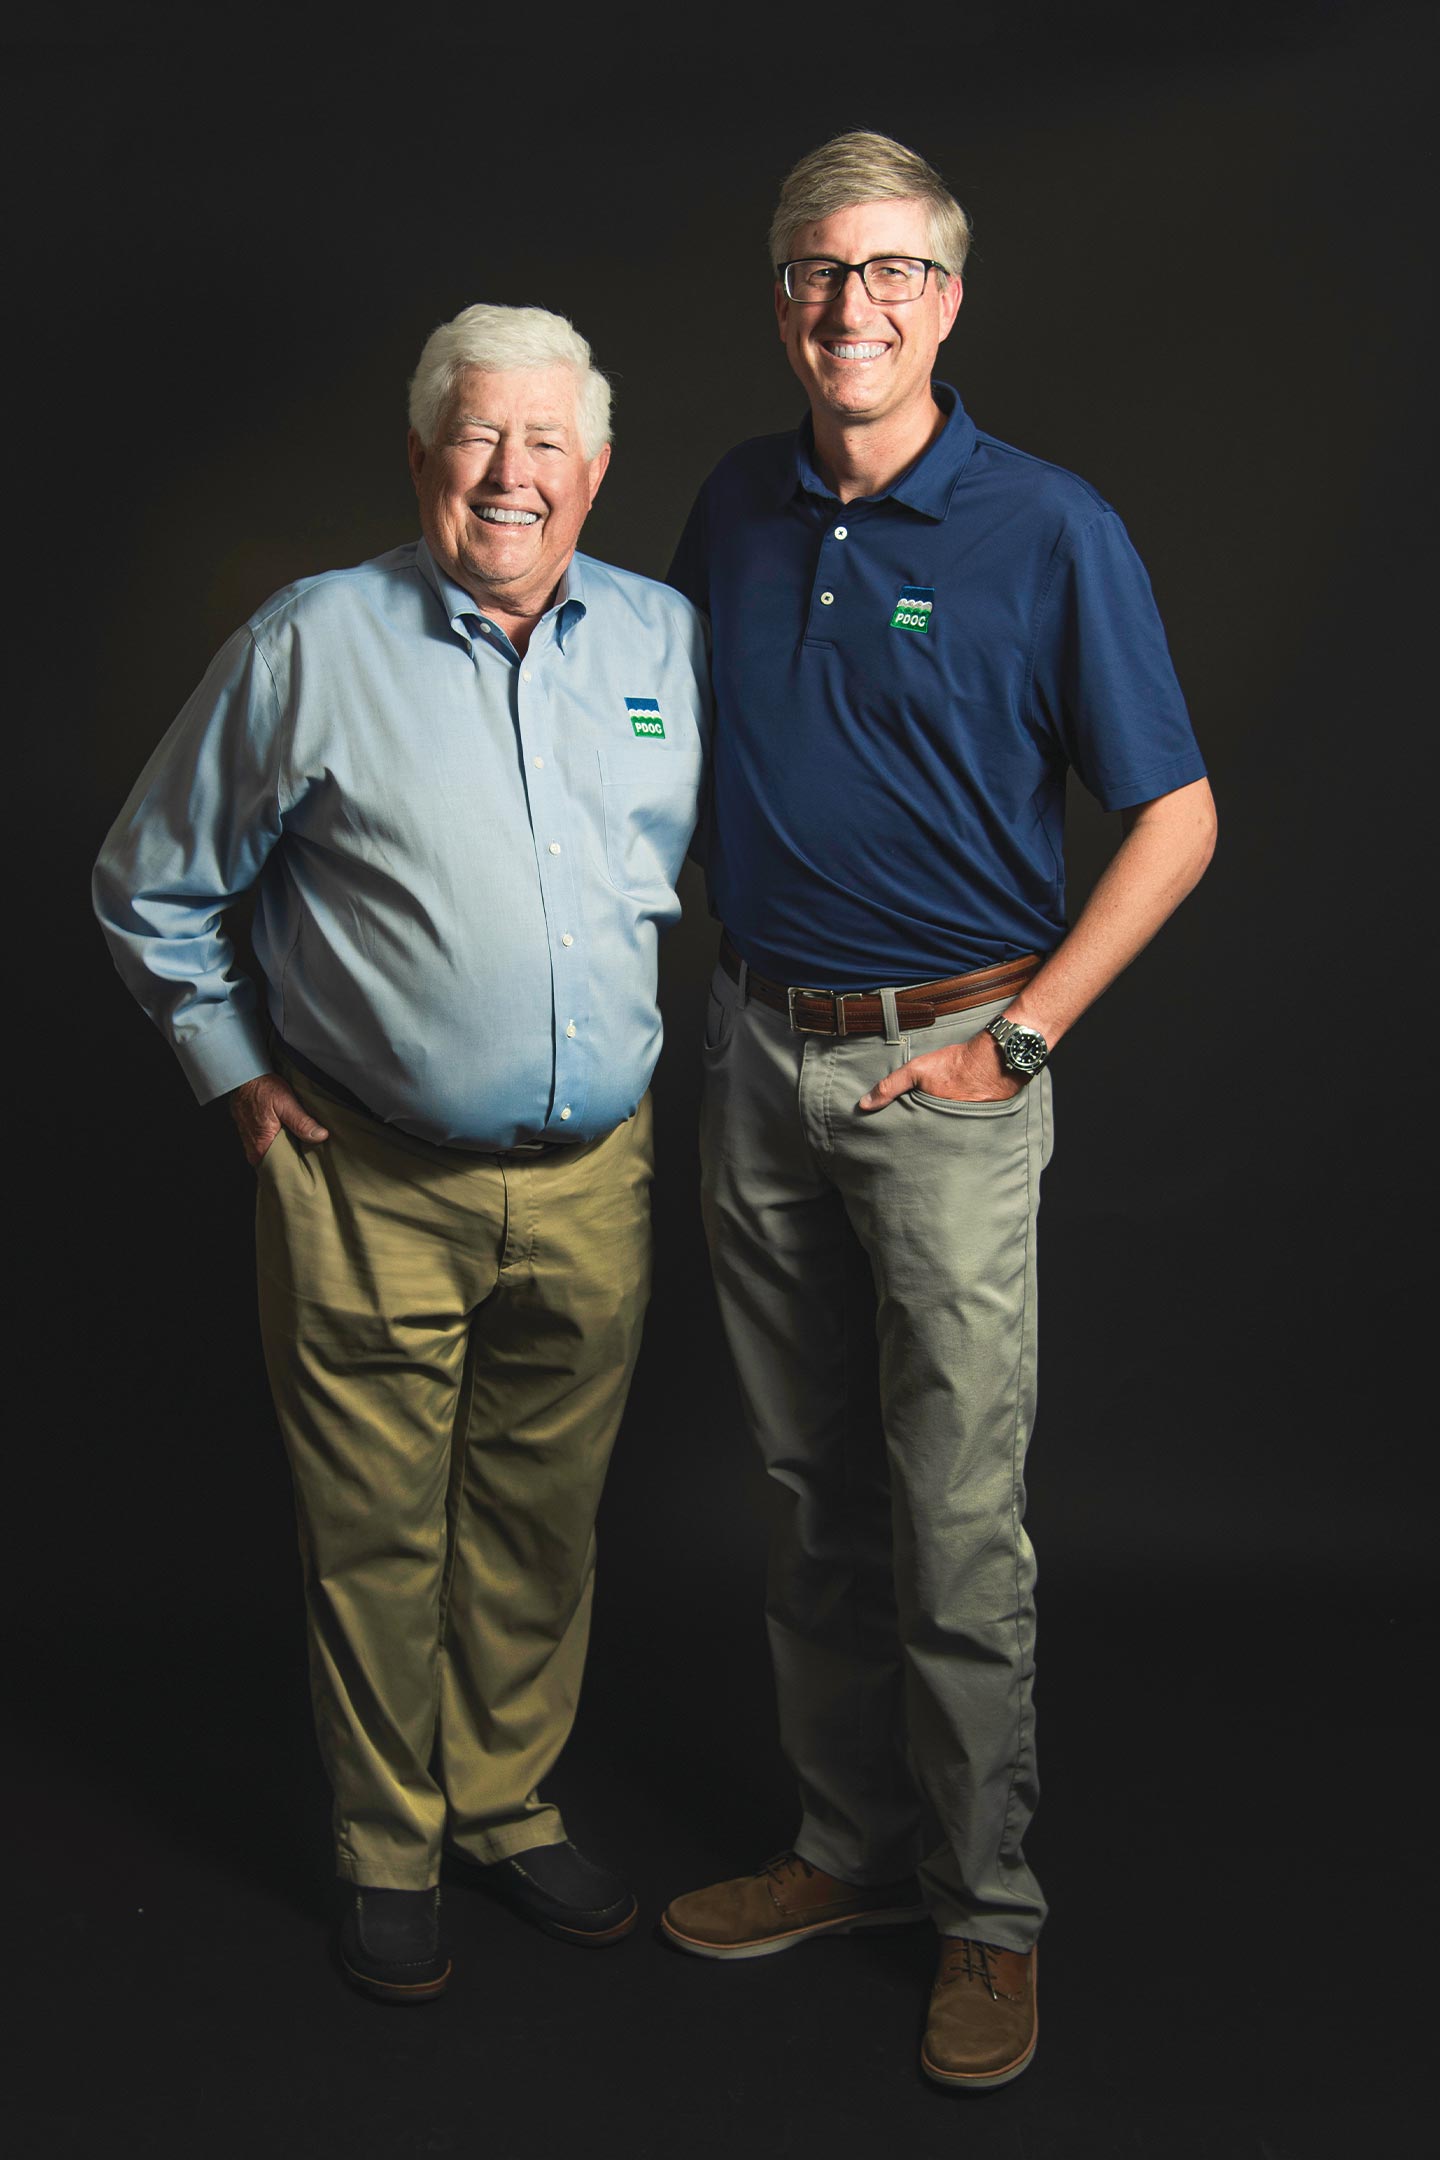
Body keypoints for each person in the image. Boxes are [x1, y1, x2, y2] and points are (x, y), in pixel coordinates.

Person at [660, 132, 1216, 2090]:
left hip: (951, 1078)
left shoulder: (1050, 527)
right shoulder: (732, 503)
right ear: (784, 296)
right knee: (811, 1497)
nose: (852, 308)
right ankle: (849, 1851)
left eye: (893, 273)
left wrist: (1029, 1036)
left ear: (949, 301)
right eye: (821, 272)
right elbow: (648, 735)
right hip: (756, 1055)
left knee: (956, 1519)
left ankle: (989, 1916)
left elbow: (1179, 815)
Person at [93, 303, 709, 2002]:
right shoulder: (311, 641)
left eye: (545, 446)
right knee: (374, 1528)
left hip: (596, 1186)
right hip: (371, 1186)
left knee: (543, 1519)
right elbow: (149, 879)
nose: (511, 476)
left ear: (595, 468)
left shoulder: (664, 642)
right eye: (477, 438)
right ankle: (389, 1843)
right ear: (426, 455)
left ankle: (507, 1805)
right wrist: (235, 1077)